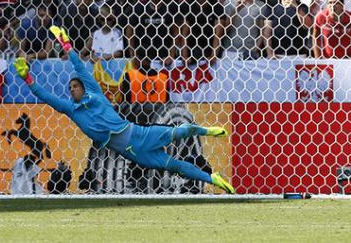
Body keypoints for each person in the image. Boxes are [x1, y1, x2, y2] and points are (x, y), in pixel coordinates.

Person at [13, 26, 236, 194]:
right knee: (176, 166)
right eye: (69, 88)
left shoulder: (94, 92)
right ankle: (213, 178)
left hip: (139, 134)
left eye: (74, 86)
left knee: (180, 132)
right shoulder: (71, 109)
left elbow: (80, 67)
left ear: (83, 86)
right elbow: (45, 96)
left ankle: (206, 131)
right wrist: (27, 78)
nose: (71, 90)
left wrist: (67, 46)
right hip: (135, 152)